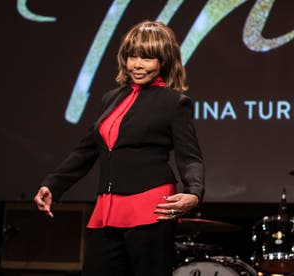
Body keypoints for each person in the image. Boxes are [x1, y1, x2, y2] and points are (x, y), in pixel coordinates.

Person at [34, 20, 204, 276]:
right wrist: (53, 185)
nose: (137, 64)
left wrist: (194, 191)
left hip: (151, 209)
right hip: (108, 209)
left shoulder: (174, 103)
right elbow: (87, 149)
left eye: (147, 58)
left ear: (164, 61)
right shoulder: (111, 98)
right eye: (132, 56)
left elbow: (189, 155)